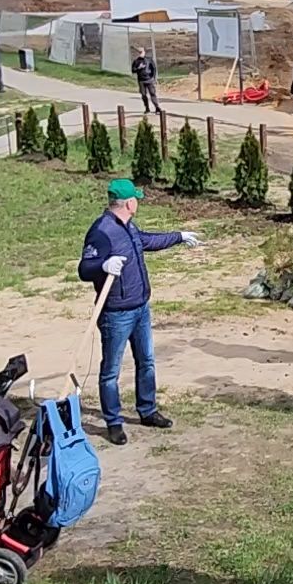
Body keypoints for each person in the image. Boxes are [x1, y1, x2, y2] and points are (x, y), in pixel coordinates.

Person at [76, 178, 202, 444]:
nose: (138, 202)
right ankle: (113, 422)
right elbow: (84, 269)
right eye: (137, 199)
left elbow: (146, 240)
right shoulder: (102, 231)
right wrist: (103, 266)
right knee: (111, 370)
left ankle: (147, 410)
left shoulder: (128, 227)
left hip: (140, 308)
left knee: (146, 361)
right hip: (115, 314)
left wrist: (178, 236)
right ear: (129, 203)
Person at [130, 46, 162, 114]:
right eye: (139, 52)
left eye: (142, 51)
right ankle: (147, 108)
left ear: (144, 52)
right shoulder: (136, 61)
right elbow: (133, 70)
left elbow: (154, 68)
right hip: (141, 81)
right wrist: (139, 68)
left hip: (149, 80)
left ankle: (157, 107)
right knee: (144, 95)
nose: (141, 53)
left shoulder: (149, 60)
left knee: (152, 93)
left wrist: (154, 78)